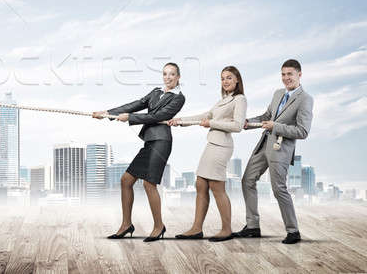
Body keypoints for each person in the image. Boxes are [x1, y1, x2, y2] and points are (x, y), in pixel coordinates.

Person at [93, 63, 185, 242]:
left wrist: (130, 118)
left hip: (161, 142)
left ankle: (159, 226)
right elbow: (137, 104)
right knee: (126, 180)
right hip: (150, 141)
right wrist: (107, 113)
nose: (168, 77)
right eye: (165, 74)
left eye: (172, 74)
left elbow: (158, 117)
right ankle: (126, 225)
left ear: (178, 77)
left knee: (149, 184)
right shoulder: (156, 92)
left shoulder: (179, 98)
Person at [234, 59, 313, 244]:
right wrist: (248, 122)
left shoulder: (305, 99)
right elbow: (266, 117)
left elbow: (303, 131)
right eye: (283, 74)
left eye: (290, 74)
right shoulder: (278, 93)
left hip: (281, 149)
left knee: (278, 189)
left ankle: (293, 231)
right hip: (264, 145)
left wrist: (275, 126)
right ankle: (253, 226)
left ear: (299, 75)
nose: (286, 78)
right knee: (247, 180)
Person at [169, 66, 247, 242]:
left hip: (222, 146)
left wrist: (212, 122)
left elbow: (238, 125)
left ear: (237, 80)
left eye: (229, 78)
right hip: (212, 144)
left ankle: (226, 229)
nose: (225, 81)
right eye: (222, 78)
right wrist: (180, 121)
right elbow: (205, 115)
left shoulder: (240, 99)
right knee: (200, 184)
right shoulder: (223, 100)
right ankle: (196, 229)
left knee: (216, 186)